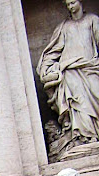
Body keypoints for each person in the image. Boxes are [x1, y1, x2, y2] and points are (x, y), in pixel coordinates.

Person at [38, 0, 99, 149]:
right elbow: (53, 51)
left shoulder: (93, 20)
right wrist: (47, 68)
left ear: (80, 2)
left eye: (73, 2)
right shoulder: (64, 27)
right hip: (70, 71)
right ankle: (85, 137)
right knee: (79, 103)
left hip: (90, 67)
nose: (70, 7)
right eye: (68, 4)